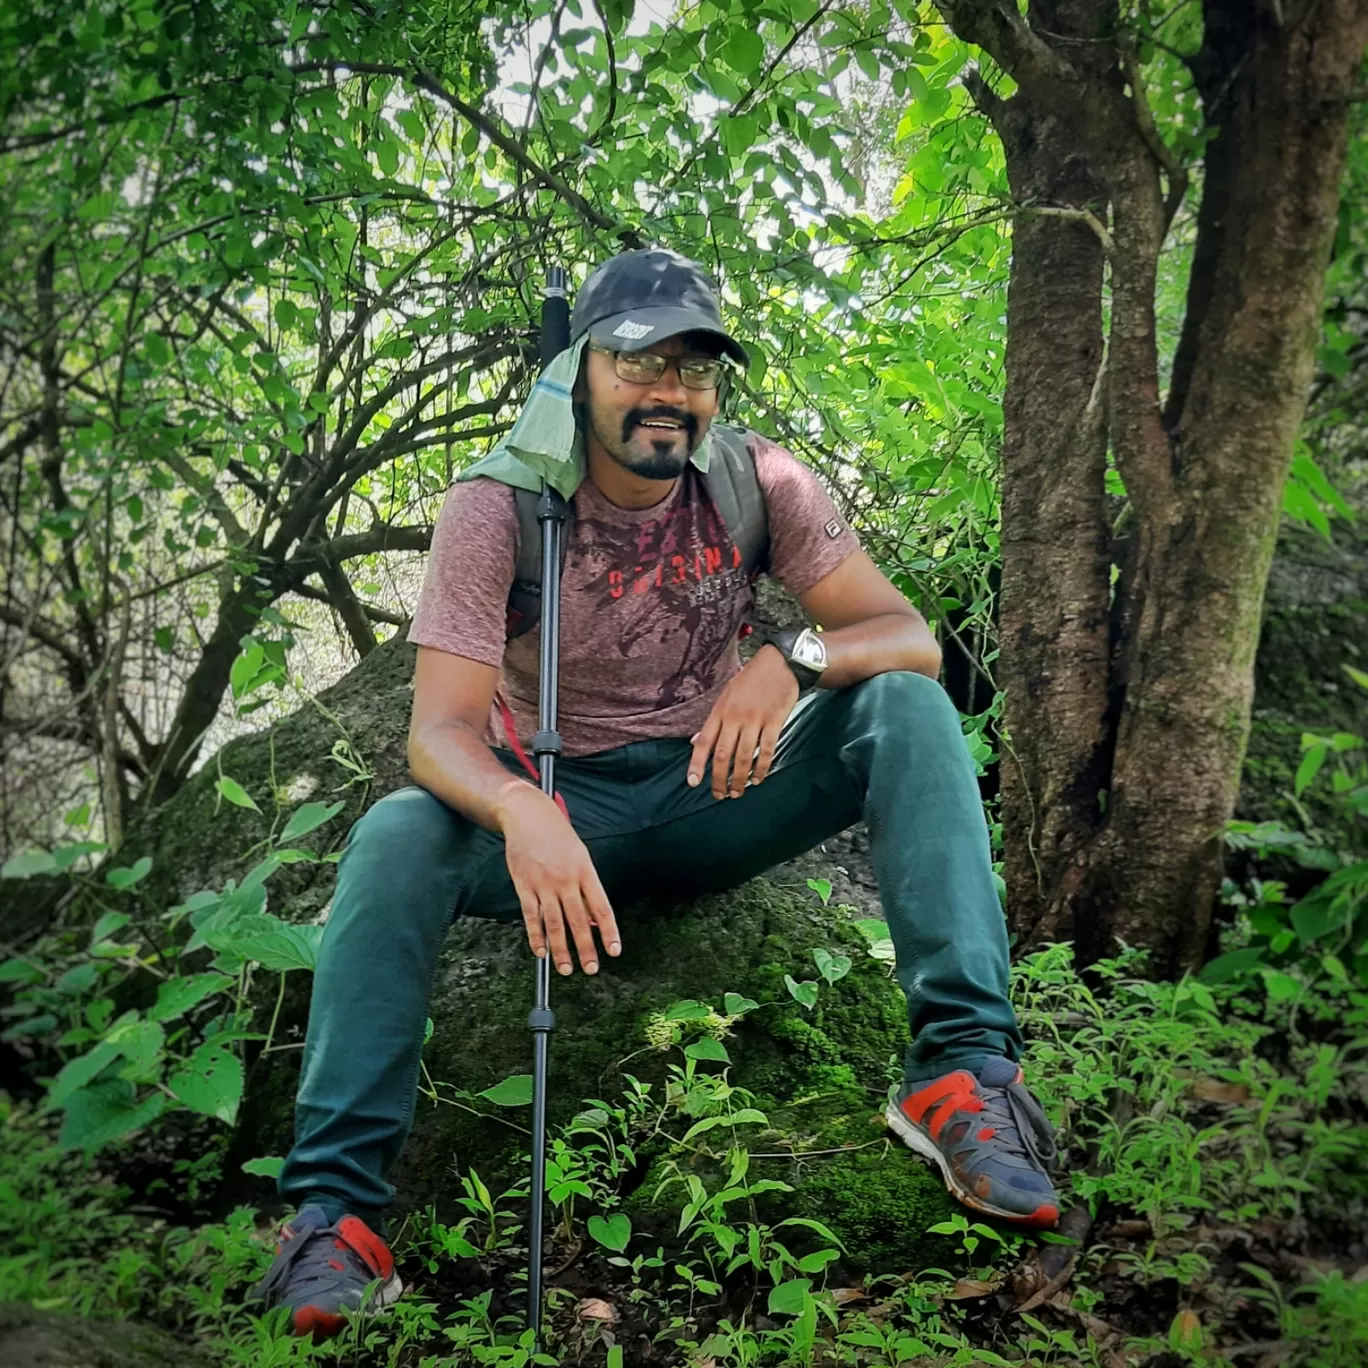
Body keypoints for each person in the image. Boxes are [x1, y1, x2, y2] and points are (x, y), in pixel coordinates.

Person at [256, 249, 1060, 1338]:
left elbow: (908, 636)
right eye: (639, 359)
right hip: (558, 829)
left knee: (906, 706)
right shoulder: (499, 508)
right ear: (577, 369)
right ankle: (338, 1218)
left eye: (695, 366)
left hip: (709, 795)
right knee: (399, 835)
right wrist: (521, 810)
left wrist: (792, 661)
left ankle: (958, 1075)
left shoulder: (755, 484)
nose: (668, 390)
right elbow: (437, 735)